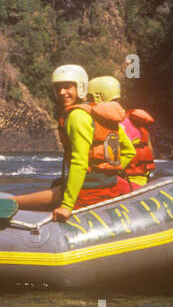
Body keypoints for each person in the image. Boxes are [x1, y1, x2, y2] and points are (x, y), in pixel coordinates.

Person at [14, 64, 135, 219]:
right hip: (109, 186)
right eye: (58, 88)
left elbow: (80, 162)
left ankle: (5, 202)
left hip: (88, 191)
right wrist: (110, 172)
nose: (62, 92)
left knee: (17, 201)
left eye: (67, 87)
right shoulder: (99, 113)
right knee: (57, 183)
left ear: (82, 87)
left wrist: (67, 205)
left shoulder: (76, 116)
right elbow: (129, 150)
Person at [87, 75, 155, 186]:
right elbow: (151, 150)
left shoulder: (111, 124)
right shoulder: (132, 118)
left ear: (98, 97)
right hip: (144, 179)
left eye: (89, 97)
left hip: (127, 182)